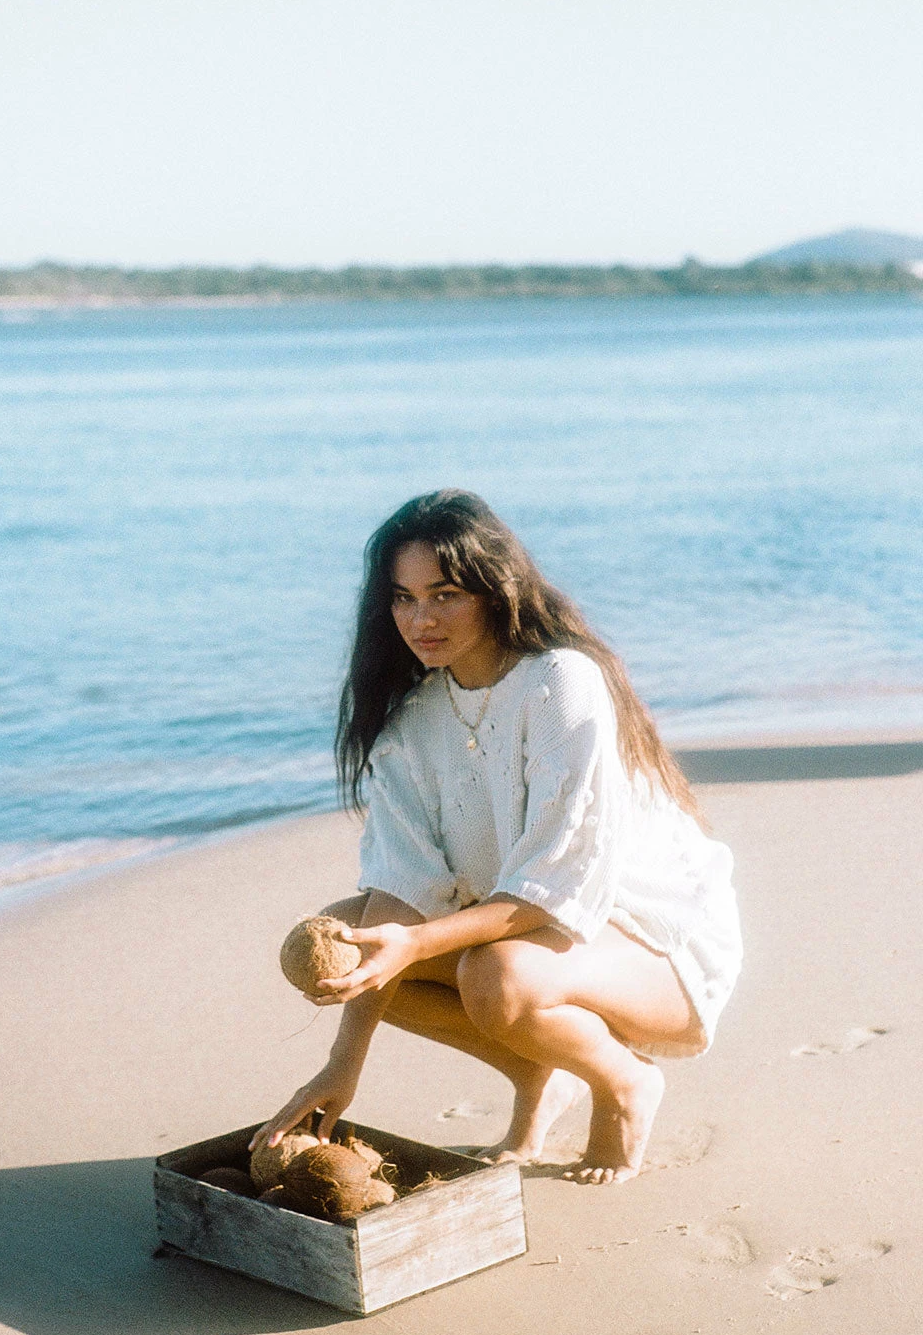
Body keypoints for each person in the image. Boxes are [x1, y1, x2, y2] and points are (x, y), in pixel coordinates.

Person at [251, 490, 742, 1184]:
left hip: (655, 949)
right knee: (346, 943)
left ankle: (625, 1080)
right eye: (403, 598)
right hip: (540, 945)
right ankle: (539, 1073)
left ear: (495, 590)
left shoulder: (561, 682)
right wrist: (341, 1066)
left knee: (496, 975)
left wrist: (416, 945)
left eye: (445, 594)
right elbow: (402, 891)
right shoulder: (414, 721)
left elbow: (555, 890)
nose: (421, 619)